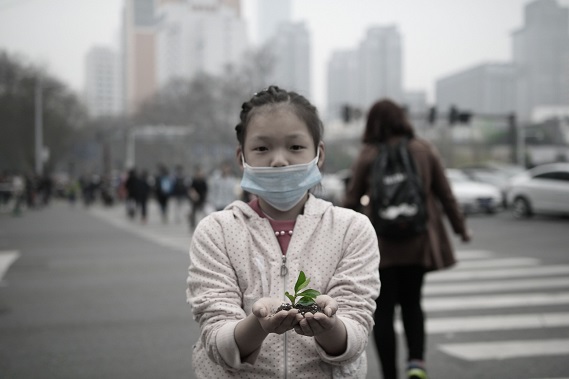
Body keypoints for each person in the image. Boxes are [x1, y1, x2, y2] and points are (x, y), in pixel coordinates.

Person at [186, 85, 380, 378]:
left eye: (295, 147)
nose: (279, 160)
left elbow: (355, 334)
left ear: (319, 153)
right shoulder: (216, 232)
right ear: (242, 158)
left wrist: (330, 326)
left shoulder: (351, 229)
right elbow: (216, 339)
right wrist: (258, 324)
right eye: (262, 148)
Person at [342, 99, 472, 379]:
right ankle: (416, 364)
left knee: (384, 310)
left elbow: (350, 201)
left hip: (381, 246)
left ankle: (390, 374)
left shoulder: (368, 155)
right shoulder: (423, 150)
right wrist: (461, 228)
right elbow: (445, 194)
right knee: (413, 303)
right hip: (418, 241)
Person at [187, 165, 208, 230]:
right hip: (194, 200)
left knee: (204, 213)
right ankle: (192, 224)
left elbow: (206, 190)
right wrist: (194, 195)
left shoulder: (203, 181)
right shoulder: (194, 181)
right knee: (193, 213)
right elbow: (190, 189)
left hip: (202, 199)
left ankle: (204, 225)